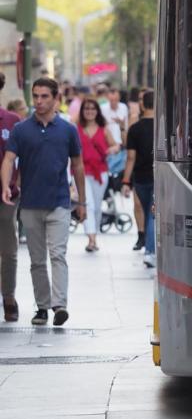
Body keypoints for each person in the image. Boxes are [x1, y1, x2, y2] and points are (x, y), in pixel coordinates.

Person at [0, 77, 85, 326]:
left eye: (44, 96)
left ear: (56, 98)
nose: (38, 101)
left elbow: (78, 165)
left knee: (58, 254)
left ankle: (60, 305)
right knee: (37, 260)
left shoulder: (68, 130)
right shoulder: (21, 129)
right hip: (29, 203)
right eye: (35, 96)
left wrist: (81, 200)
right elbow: (8, 160)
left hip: (59, 201)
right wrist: (5, 185)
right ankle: (42, 307)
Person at [78, 97, 118, 252]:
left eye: (92, 109)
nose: (89, 111)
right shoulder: (76, 129)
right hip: (81, 172)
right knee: (88, 204)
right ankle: (91, 239)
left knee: (96, 205)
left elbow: (116, 145)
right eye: (86, 109)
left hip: (100, 172)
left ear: (97, 111)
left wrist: (111, 150)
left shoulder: (104, 129)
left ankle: (94, 233)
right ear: (82, 111)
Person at [122, 89, 155, 267]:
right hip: (157, 175)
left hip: (140, 178)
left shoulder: (134, 129)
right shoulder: (163, 126)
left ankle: (150, 249)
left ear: (142, 104)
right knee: (152, 213)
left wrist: (126, 181)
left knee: (148, 211)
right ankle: (150, 251)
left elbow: (130, 158)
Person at [0, 73, 20, 322]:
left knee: (8, 249)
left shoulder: (12, 121)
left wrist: (18, 184)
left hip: (6, 195)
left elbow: (20, 159)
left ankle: (9, 296)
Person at [104, 87, 128, 176]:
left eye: (115, 100)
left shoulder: (123, 107)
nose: (113, 102)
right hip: (109, 146)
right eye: (111, 100)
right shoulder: (103, 108)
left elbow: (125, 127)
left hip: (121, 145)